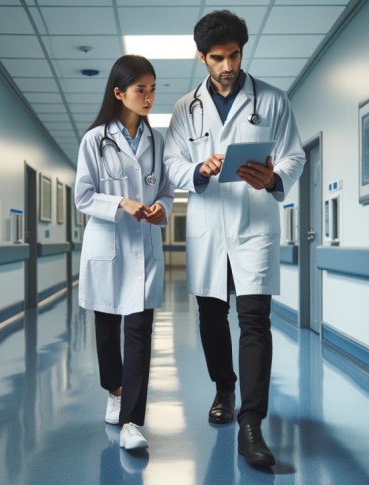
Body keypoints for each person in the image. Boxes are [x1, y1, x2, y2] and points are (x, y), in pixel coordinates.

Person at [163, 10, 306, 467]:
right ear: (202, 57)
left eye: (235, 56)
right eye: (219, 58)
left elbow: (294, 156)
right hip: (209, 224)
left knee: (254, 319)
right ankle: (223, 387)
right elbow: (172, 163)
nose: (228, 66)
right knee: (211, 315)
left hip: (254, 225)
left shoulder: (273, 100)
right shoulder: (187, 108)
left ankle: (251, 423)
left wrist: (272, 177)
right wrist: (197, 170)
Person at [74, 55, 173, 451]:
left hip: (144, 249)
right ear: (119, 93)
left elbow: (165, 189)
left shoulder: (157, 140)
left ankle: (132, 419)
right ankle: (114, 390)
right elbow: (83, 195)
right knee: (106, 332)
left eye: (152, 89)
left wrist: (162, 206)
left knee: (139, 333)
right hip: (108, 247)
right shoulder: (95, 140)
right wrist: (120, 204)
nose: (148, 97)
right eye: (140, 90)